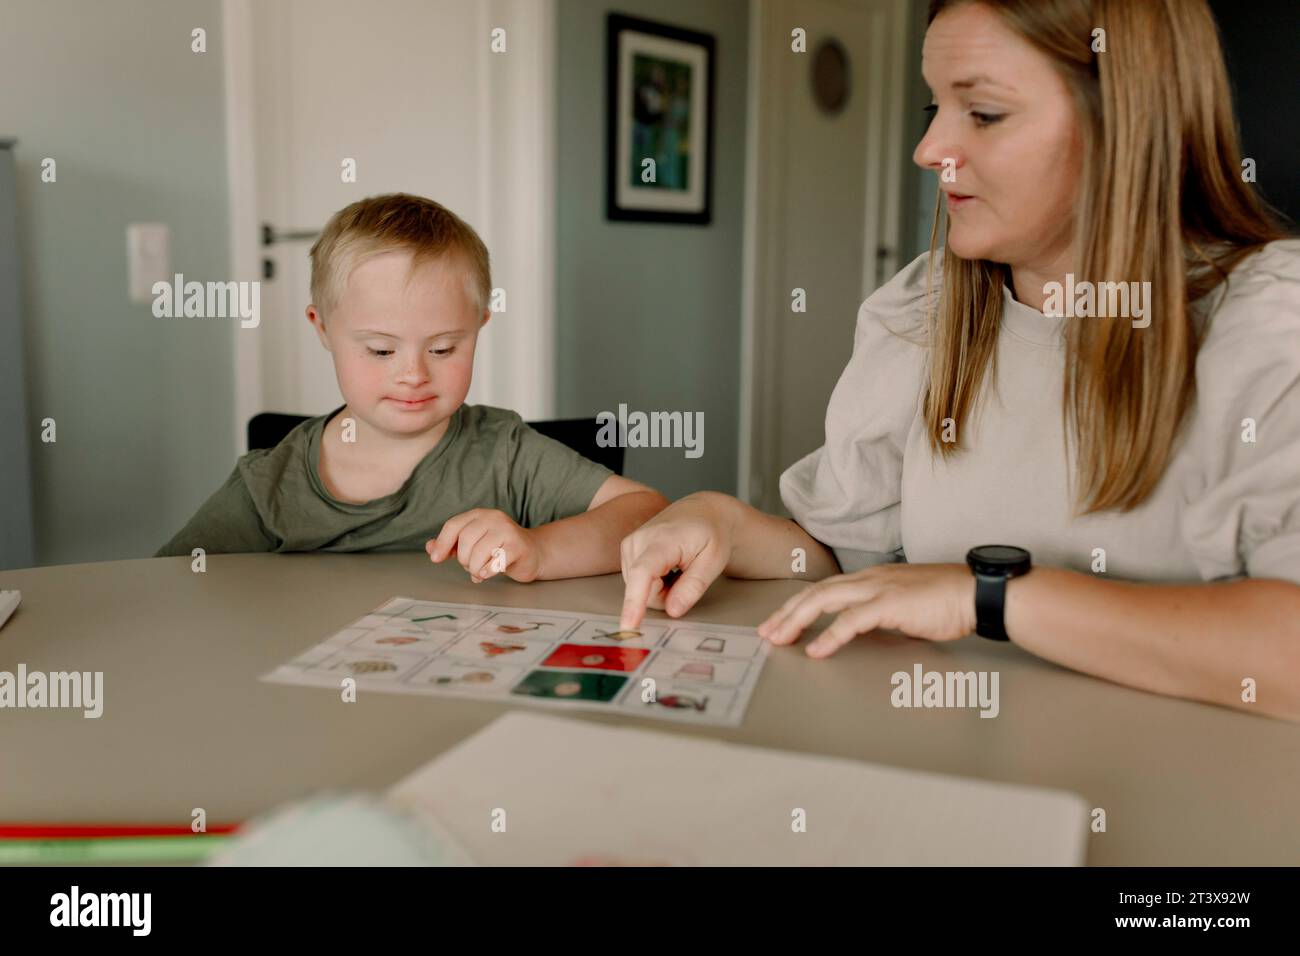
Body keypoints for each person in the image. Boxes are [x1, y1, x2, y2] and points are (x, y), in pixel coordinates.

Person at [619, 0, 1300, 719]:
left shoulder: (1267, 322)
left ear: (1124, 123)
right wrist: (722, 520)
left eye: (983, 113)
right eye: (934, 108)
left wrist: (989, 596)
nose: (928, 149)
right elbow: (839, 552)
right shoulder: (923, 308)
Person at [158, 193, 667, 582]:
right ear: (322, 329)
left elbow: (646, 514)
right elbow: (168, 585)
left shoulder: (504, 454)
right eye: (381, 350)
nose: (414, 374)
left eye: (443, 348)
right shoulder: (271, 486)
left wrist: (539, 549)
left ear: (480, 326)